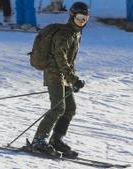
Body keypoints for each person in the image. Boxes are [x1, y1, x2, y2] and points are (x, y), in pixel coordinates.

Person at [30, 2, 90, 158]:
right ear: (72, 16)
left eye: (85, 18)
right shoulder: (65, 33)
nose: (82, 21)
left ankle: (56, 140)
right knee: (58, 108)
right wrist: (73, 78)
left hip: (64, 75)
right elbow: (60, 58)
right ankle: (39, 140)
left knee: (70, 108)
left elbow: (69, 61)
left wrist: (72, 79)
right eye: (79, 17)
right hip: (54, 74)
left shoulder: (76, 33)